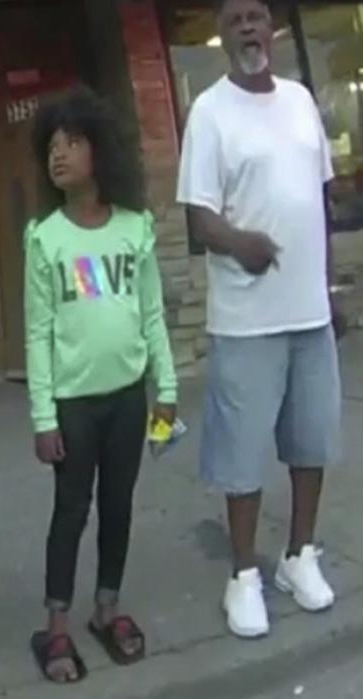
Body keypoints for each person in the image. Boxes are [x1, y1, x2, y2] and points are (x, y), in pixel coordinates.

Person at [177, 0, 345, 639]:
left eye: (257, 16)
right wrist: (240, 243)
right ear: (221, 35)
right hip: (246, 320)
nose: (249, 27)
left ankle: (299, 557)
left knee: (313, 441)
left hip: (308, 313)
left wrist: (326, 288)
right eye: (236, 19)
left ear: (271, 29)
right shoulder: (210, 111)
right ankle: (242, 574)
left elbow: (318, 198)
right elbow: (199, 217)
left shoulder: (301, 100)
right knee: (242, 456)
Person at [23, 90, 178, 683]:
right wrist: (43, 417)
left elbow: (153, 315)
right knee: (71, 510)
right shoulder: (45, 238)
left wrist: (164, 389)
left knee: (119, 505)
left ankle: (106, 607)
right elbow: (37, 334)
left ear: (101, 151)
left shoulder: (135, 229)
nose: (60, 155)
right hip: (72, 404)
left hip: (126, 399)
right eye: (52, 146)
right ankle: (57, 626)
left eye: (73, 142)